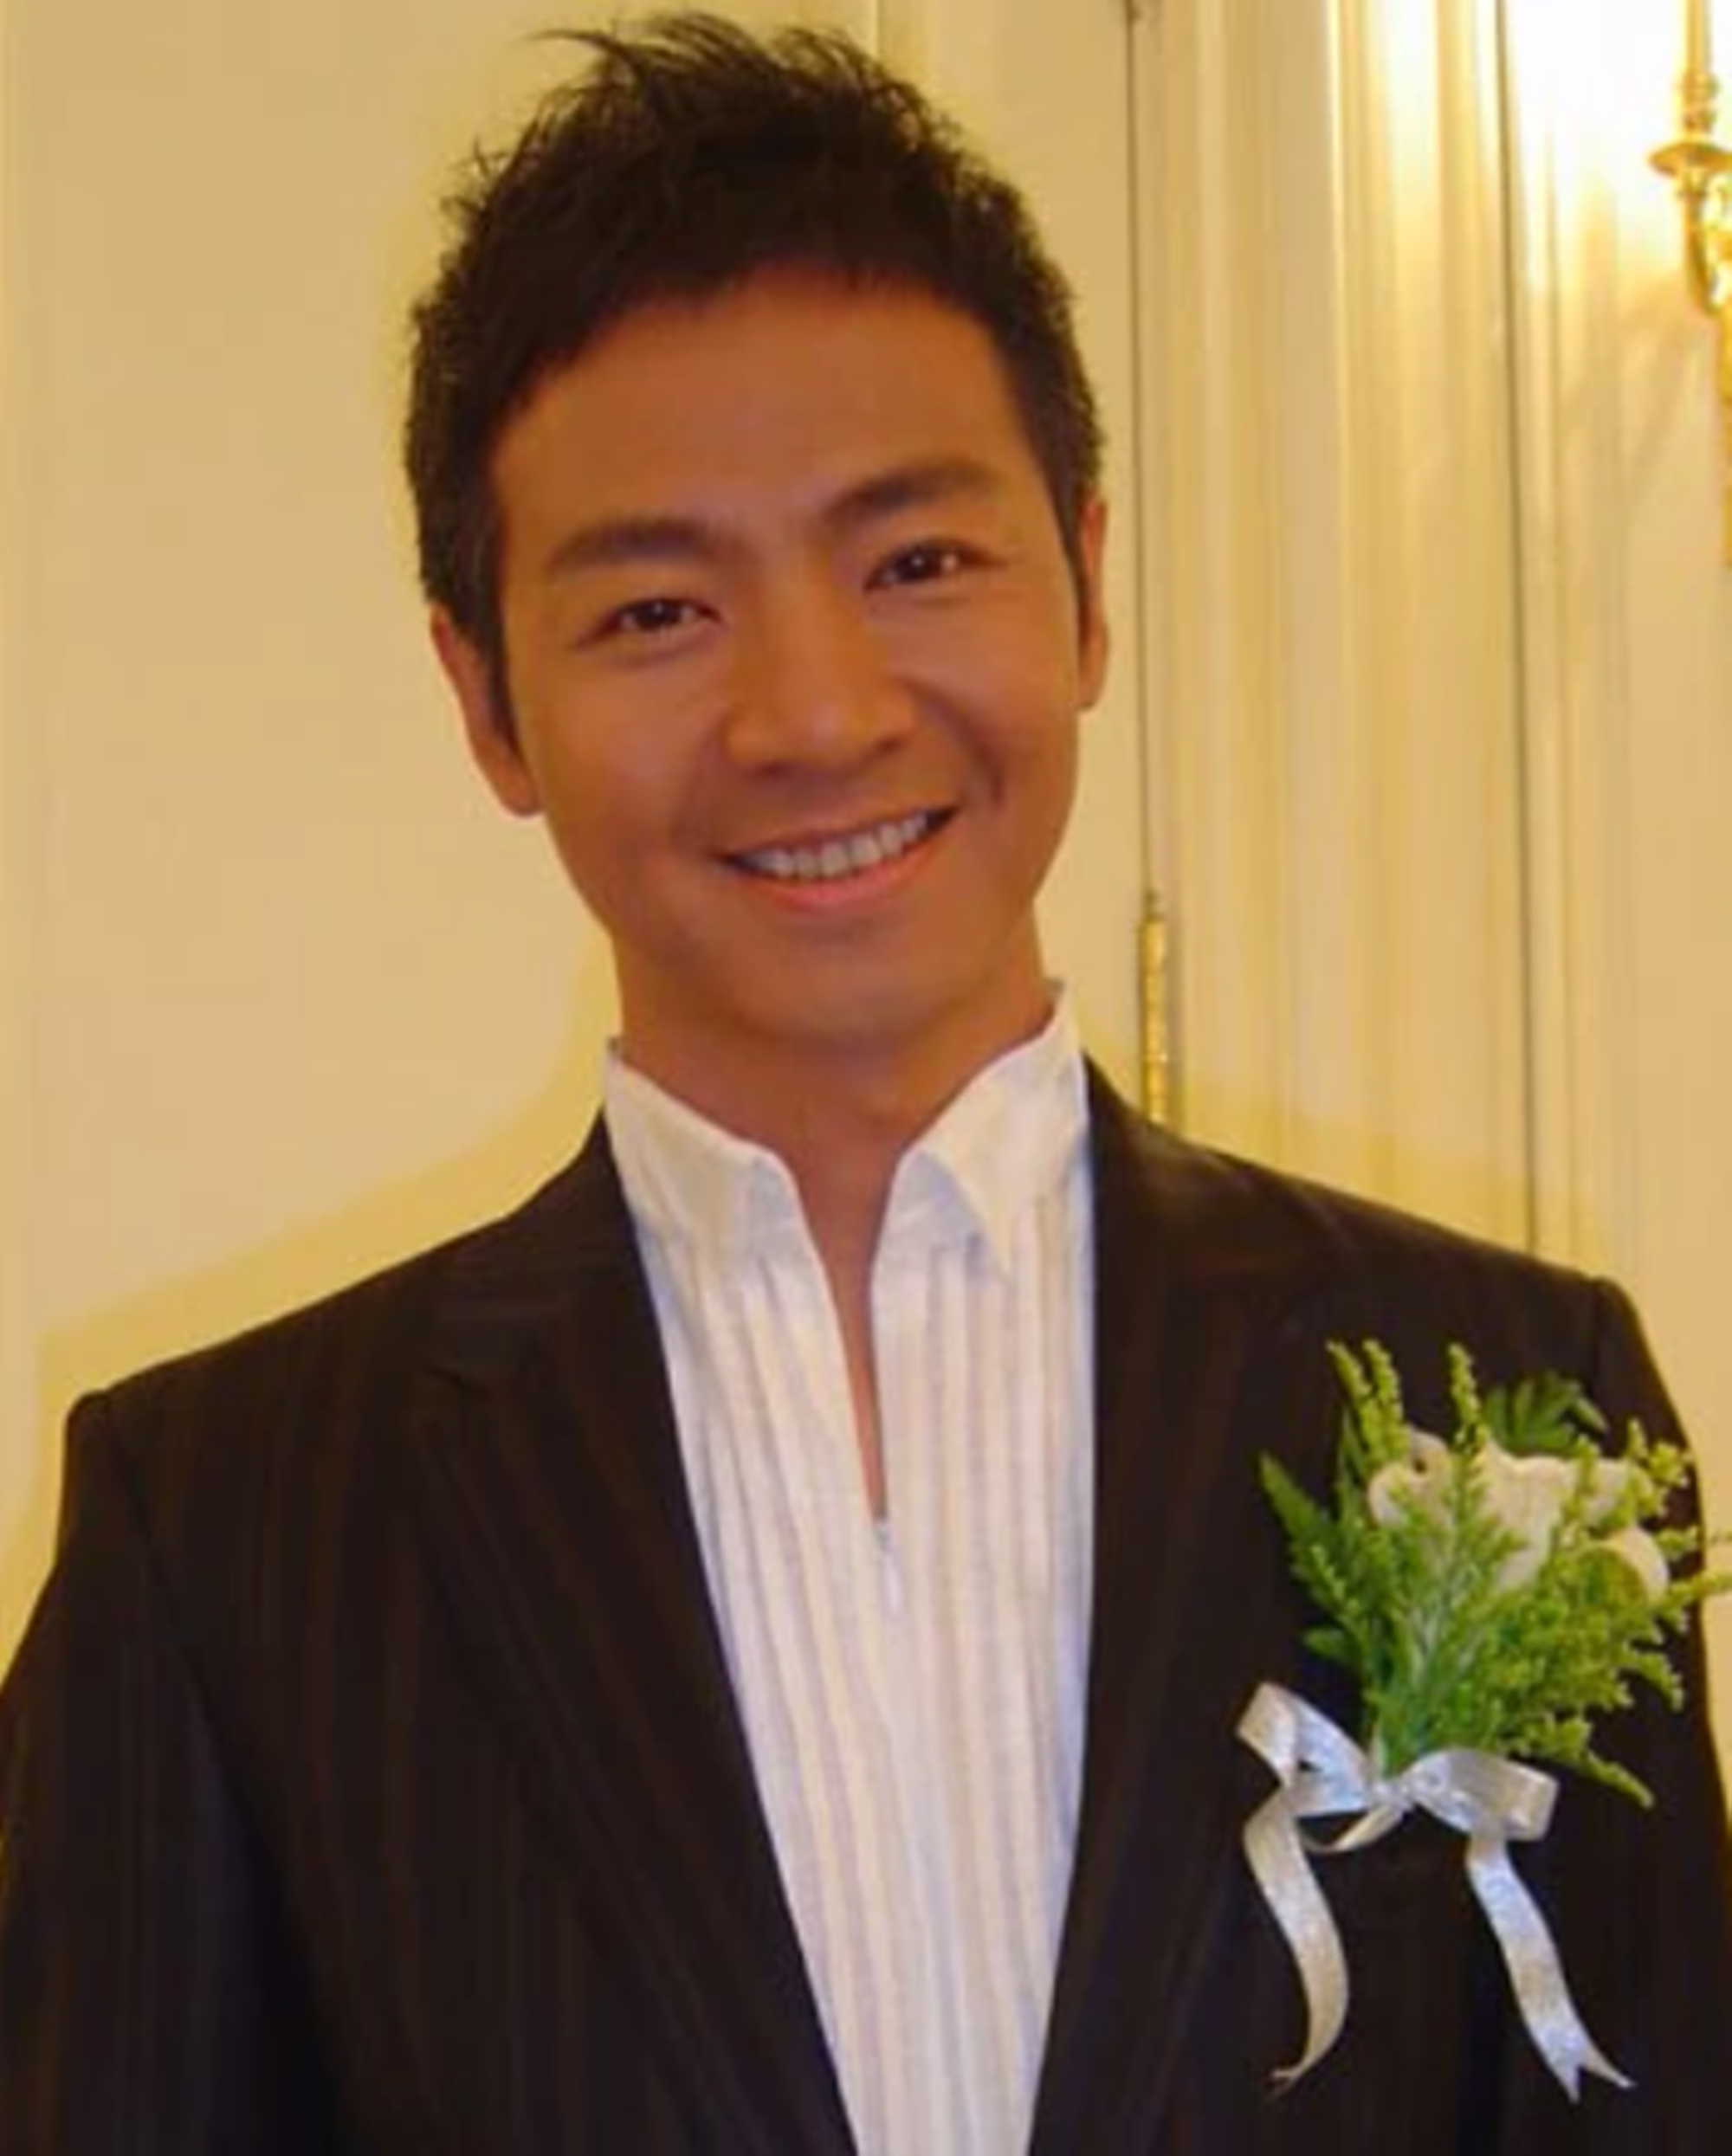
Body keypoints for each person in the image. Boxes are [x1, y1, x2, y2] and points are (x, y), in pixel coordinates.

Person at [1, 15, 1728, 2153]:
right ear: (487, 702)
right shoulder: (228, 1525)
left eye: (915, 563)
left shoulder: (1519, 1412)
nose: (814, 715)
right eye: (656, 610)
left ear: (1085, 584)